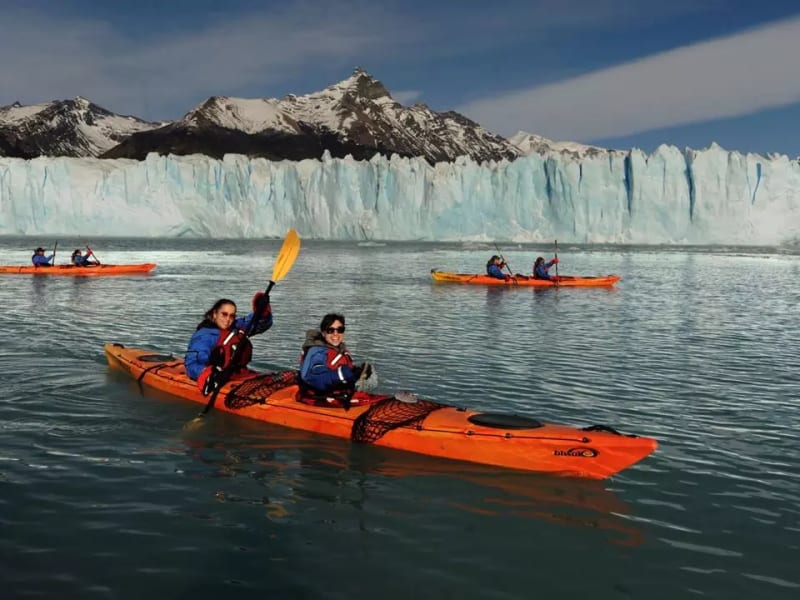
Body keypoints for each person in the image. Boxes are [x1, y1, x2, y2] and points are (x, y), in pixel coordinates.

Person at [184, 294, 273, 394]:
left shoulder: (237, 326)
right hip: (220, 378)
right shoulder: (204, 336)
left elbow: (257, 323)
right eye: (224, 314)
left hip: (241, 374)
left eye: (232, 315)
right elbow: (192, 364)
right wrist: (209, 374)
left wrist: (262, 311)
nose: (227, 320)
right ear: (215, 314)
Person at [298, 313, 372, 407]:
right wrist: (344, 374)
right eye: (330, 330)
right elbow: (315, 378)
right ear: (323, 333)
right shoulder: (318, 353)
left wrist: (358, 372)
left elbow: (340, 371)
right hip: (318, 399)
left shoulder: (339, 349)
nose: (335, 334)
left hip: (339, 395)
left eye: (340, 330)